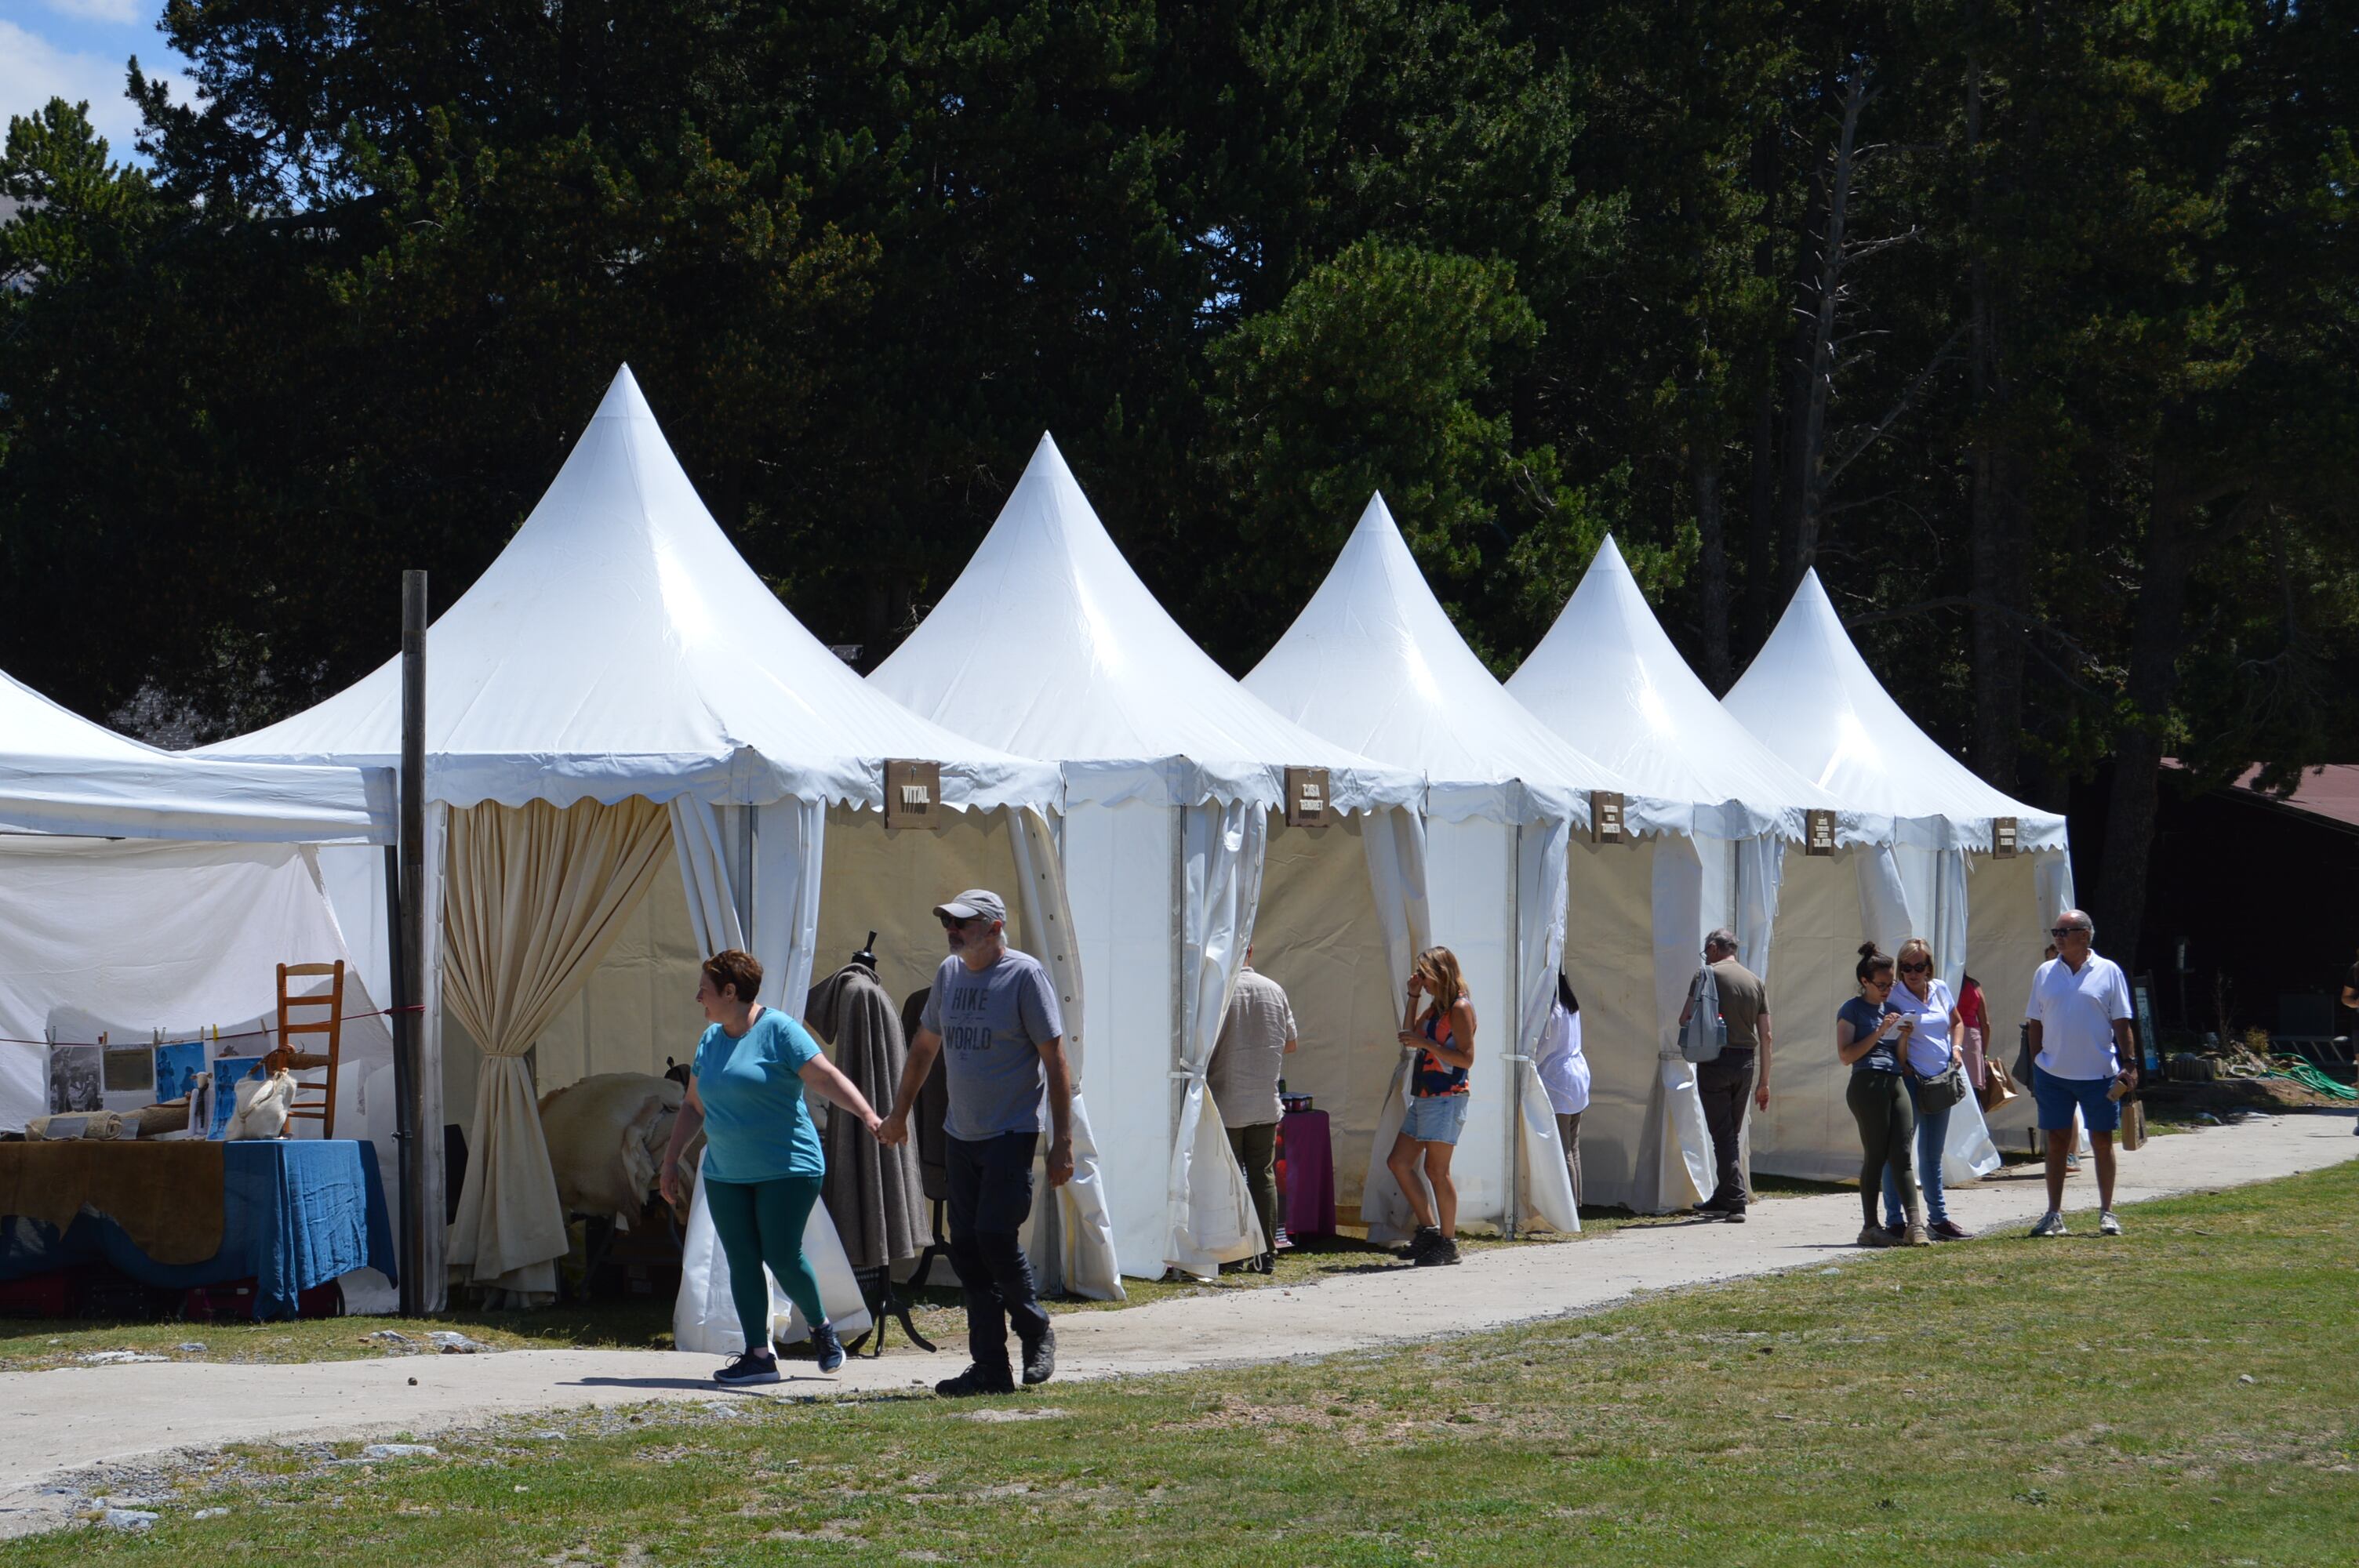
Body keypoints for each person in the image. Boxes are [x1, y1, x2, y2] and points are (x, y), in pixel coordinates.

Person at [878, 889, 1074, 1396]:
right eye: (948, 922)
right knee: (964, 1249)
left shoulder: (1025, 976)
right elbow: (923, 1050)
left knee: (993, 1237)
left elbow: (1055, 1063)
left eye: (963, 923)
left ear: (994, 927)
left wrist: (1063, 1141)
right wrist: (899, 1115)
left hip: (1011, 1133)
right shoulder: (948, 975)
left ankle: (1033, 1327)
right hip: (959, 1134)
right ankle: (990, 1367)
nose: (952, 930)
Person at [660, 948, 885, 1386]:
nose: (697, 998)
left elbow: (825, 1078)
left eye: (704, 991)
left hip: (788, 1168)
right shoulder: (710, 1039)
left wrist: (868, 1116)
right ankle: (758, 1356)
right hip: (727, 1173)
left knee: (781, 1254)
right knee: (742, 1260)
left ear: (730, 991)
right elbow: (693, 1106)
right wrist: (670, 1161)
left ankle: (822, 1329)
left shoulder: (779, 1029)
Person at [2025, 909, 2138, 1237]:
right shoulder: (2045, 972)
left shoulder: (2108, 971)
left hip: (2099, 1074)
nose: (2057, 937)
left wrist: (2130, 1063)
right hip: (2053, 1074)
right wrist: (2036, 1062)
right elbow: (2035, 1021)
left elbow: (2122, 1021)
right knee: (2057, 1142)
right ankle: (2053, 1215)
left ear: (2085, 935)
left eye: (2064, 931)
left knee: (2103, 1141)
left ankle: (2107, 1213)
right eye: (2055, 931)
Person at [1205, 943, 1297, 1272]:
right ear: (1252, 951)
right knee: (1263, 1176)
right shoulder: (1274, 989)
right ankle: (1267, 1252)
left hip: (1226, 1100)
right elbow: (1291, 1042)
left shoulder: (1220, 991)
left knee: (1228, 1178)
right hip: (1264, 1100)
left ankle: (1233, 1252)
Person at [1385, 946, 1475, 1266]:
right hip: (1425, 1095)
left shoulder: (1460, 1008)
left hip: (1446, 1097)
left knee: (1437, 1171)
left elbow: (1466, 1059)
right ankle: (1429, 1229)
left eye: (1424, 975)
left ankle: (1448, 1243)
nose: (1421, 980)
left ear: (1440, 973)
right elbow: (1409, 1035)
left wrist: (1426, 1044)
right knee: (1398, 1162)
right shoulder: (1437, 1008)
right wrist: (1412, 997)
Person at [1836, 943, 1928, 1247]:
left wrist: (1902, 1036)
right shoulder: (1852, 1009)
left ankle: (1915, 1224)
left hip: (1894, 1079)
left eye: (1891, 984)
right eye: (1881, 985)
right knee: (1876, 1154)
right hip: (1867, 1082)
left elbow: (1899, 1058)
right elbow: (1846, 1055)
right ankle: (1870, 1226)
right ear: (1865, 982)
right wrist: (1878, 1033)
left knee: (1902, 1153)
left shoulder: (1892, 1010)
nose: (1888, 990)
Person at [1878, 938, 1971, 1241]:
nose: (1913, 973)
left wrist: (1956, 1049)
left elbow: (1957, 1022)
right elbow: (1888, 1040)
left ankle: (1939, 1219)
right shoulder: (1895, 996)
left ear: (1929, 967)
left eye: (1919, 966)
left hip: (1940, 1079)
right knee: (1899, 1153)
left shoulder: (1941, 989)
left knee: (1932, 1154)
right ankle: (1894, 1220)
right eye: (1906, 967)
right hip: (1910, 1080)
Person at [1681, 928, 1771, 1222]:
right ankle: (1723, 1196)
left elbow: (1685, 1018)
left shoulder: (1706, 974)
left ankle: (1735, 1202)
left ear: (1713, 947)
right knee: (1730, 1133)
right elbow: (1767, 1034)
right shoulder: (1755, 981)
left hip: (1715, 1060)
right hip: (1746, 1062)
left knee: (1722, 1135)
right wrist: (1764, 1082)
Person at [1533, 972, 1589, 1210]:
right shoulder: (1571, 1007)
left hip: (1559, 1082)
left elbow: (1544, 1049)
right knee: (1573, 1146)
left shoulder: (1554, 1011)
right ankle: (1575, 1204)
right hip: (1576, 1078)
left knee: (1563, 1148)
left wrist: (1529, 1062)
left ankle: (1567, 1207)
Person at [1957, 972, 1990, 1095]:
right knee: (1973, 1091)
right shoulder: (1974, 986)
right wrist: (1984, 1054)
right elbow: (1985, 1024)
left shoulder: (1944, 984)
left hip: (1951, 1037)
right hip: (1972, 1040)